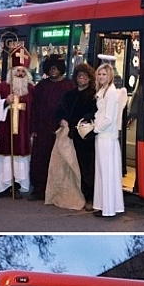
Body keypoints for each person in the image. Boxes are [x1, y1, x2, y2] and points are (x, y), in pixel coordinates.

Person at [29, 55, 74, 198]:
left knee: (61, 160)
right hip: (43, 129)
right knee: (40, 159)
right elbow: (34, 108)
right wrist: (33, 128)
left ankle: (58, 191)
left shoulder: (69, 85)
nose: (53, 70)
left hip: (62, 129)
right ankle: (39, 189)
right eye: (50, 67)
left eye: (56, 67)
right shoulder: (41, 86)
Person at [0, 47, 34, 195]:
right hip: (5, 129)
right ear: (12, 72)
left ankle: (17, 184)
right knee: (4, 158)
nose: (20, 74)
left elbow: (35, 109)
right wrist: (5, 102)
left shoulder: (31, 89)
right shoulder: (2, 88)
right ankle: (4, 186)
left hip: (23, 130)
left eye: (23, 71)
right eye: (18, 71)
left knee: (20, 159)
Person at [59, 63, 97, 207]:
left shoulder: (94, 95)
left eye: (85, 76)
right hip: (70, 135)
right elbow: (60, 111)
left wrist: (86, 120)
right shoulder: (69, 95)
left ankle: (89, 197)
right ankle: (74, 195)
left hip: (86, 137)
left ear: (89, 78)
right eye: (79, 76)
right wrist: (61, 120)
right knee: (70, 166)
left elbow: (96, 113)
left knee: (86, 167)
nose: (82, 79)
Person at [93, 61, 127, 217]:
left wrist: (95, 128)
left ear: (110, 75)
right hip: (104, 135)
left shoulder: (111, 93)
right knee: (103, 172)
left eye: (104, 74)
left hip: (106, 136)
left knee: (106, 173)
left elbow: (108, 118)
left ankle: (107, 208)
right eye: (99, 74)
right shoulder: (105, 91)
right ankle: (104, 206)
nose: (101, 76)